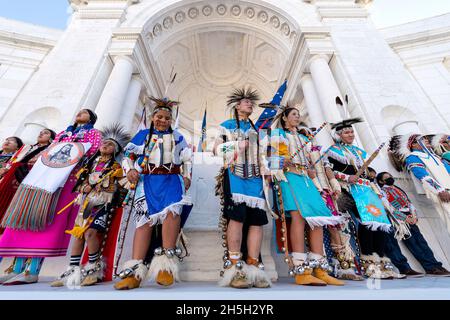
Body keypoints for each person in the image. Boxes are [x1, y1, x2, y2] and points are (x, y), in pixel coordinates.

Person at [0, 109, 101, 285]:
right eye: (78, 111)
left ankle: (32, 271)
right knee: (27, 216)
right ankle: (16, 268)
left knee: (47, 220)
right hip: (44, 176)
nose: (79, 113)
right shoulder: (64, 133)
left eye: (84, 112)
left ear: (91, 118)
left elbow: (90, 153)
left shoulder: (93, 133)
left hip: (67, 179)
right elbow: (50, 151)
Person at [114, 97, 193, 290]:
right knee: (144, 223)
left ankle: (166, 266)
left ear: (171, 120)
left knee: (172, 216)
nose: (163, 120)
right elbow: (127, 156)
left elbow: (186, 159)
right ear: (152, 117)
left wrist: (187, 176)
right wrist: (129, 170)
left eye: (167, 118)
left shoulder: (178, 137)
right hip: (146, 181)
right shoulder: (142, 135)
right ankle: (135, 271)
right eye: (159, 116)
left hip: (172, 181)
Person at [262, 106, 344, 286]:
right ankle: (301, 270)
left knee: (318, 219)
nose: (297, 117)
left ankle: (320, 269)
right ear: (284, 118)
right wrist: (282, 160)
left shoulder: (303, 138)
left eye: (299, 115)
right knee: (298, 218)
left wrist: (311, 169)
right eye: (293, 114)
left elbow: (314, 160)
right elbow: (268, 160)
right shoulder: (278, 134)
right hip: (288, 177)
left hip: (306, 179)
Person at [51, 124, 130, 287]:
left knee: (91, 234)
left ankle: (94, 268)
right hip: (87, 202)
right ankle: (72, 271)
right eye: (104, 142)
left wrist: (117, 192)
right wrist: (83, 187)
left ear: (116, 150)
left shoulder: (118, 167)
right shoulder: (89, 165)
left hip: (104, 203)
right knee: (78, 234)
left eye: (110, 144)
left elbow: (124, 186)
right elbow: (79, 184)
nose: (105, 145)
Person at [326, 117, 404, 279]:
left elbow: (367, 170)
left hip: (368, 189)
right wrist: (347, 178)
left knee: (380, 225)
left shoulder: (360, 152)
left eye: (351, 131)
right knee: (366, 224)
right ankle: (370, 264)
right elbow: (330, 171)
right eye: (346, 132)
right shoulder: (334, 151)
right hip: (352, 190)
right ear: (339, 135)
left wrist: (371, 173)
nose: (350, 134)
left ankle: (383, 264)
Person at [214, 87, 271, 289]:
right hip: (235, 175)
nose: (250, 104)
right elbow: (215, 148)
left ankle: (254, 267)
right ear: (237, 106)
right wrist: (238, 145)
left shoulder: (258, 130)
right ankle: (235, 267)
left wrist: (270, 169)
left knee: (257, 221)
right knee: (236, 218)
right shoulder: (227, 125)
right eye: (246, 102)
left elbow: (266, 153)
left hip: (256, 178)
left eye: (251, 103)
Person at [376, 171, 450, 277]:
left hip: (410, 217)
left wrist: (414, 215)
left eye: (391, 176)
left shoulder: (398, 189)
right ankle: (429, 267)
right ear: (381, 181)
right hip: (399, 221)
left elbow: (409, 202)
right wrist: (404, 218)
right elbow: (389, 208)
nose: (390, 178)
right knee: (414, 244)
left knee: (422, 243)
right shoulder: (381, 192)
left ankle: (435, 265)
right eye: (387, 177)